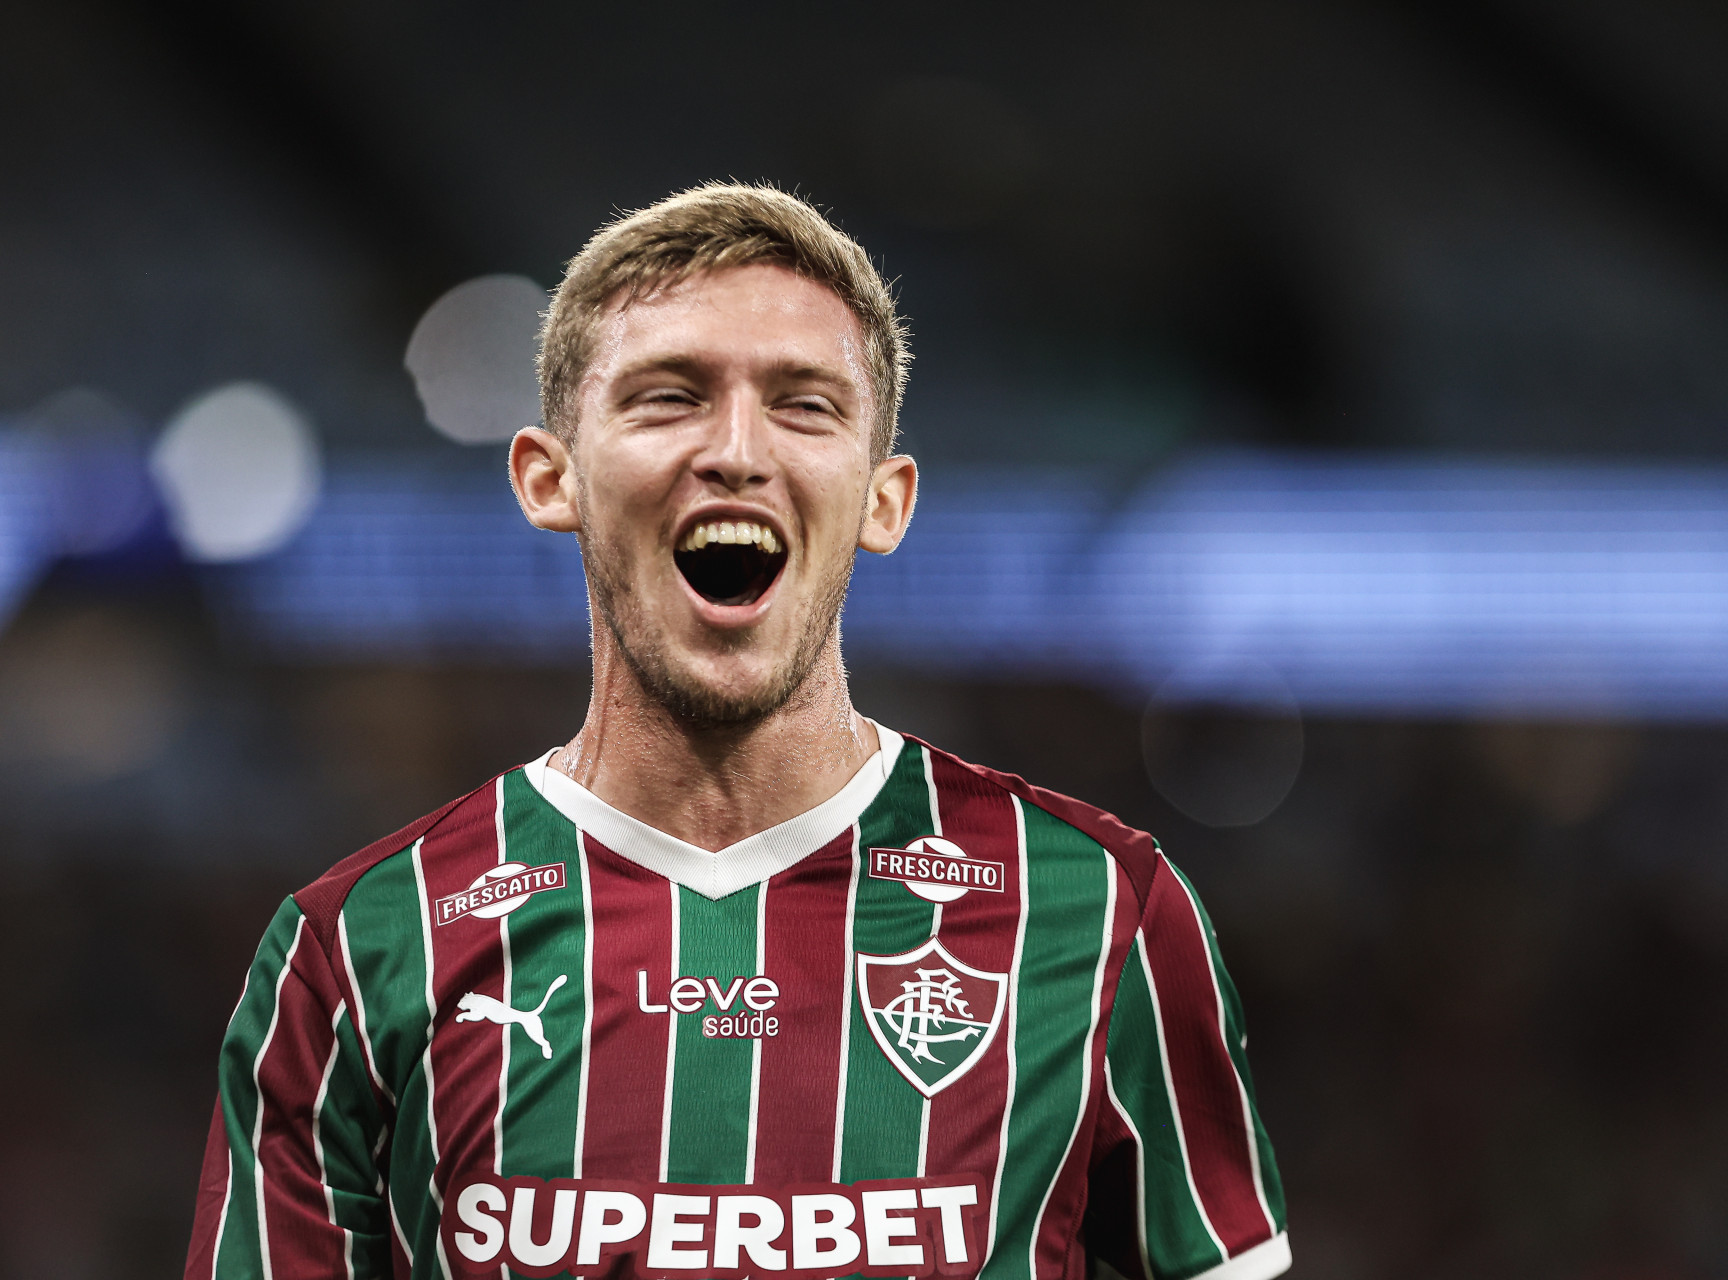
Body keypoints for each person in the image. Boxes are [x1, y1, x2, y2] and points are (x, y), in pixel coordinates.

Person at [186, 183, 1289, 1280]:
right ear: (547, 476)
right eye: (670, 396)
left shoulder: (1101, 910)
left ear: (884, 498)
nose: (737, 451)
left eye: (805, 404)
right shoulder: (359, 946)